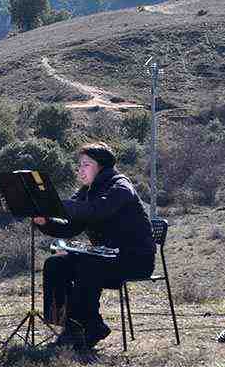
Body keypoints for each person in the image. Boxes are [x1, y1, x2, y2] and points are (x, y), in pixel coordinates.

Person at [34, 141, 155, 350]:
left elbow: (98, 210)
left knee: (87, 267)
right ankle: (75, 327)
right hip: (106, 258)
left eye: (86, 164)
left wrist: (56, 205)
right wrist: (46, 222)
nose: (80, 169)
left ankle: (87, 329)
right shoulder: (86, 191)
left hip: (134, 259)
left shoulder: (120, 186)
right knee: (55, 265)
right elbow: (70, 227)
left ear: (102, 166)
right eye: (79, 165)